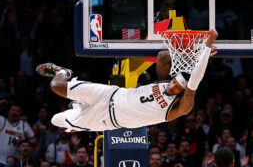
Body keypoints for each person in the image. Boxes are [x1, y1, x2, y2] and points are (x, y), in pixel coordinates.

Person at [37, 30, 218, 132]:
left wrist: (206, 48)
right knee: (55, 85)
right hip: (110, 94)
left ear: (182, 93)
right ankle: (63, 71)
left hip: (106, 119)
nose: (172, 85)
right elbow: (163, 56)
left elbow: (194, 81)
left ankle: (78, 109)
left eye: (177, 87)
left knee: (55, 120)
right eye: (173, 82)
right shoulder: (164, 81)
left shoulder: (181, 107)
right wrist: (192, 53)